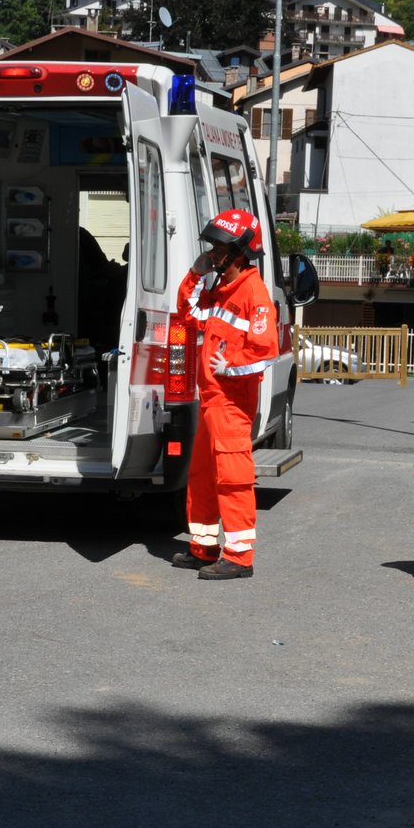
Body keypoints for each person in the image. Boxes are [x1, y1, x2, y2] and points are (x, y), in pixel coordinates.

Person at [169, 208, 279, 581]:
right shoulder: (220, 289)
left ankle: (239, 557)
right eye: (213, 246)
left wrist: (226, 366)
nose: (213, 253)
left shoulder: (254, 292)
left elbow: (265, 350)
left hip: (232, 403)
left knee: (232, 477)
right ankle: (204, 547)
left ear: (239, 252)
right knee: (202, 475)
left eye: (218, 248)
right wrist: (195, 274)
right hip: (213, 401)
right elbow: (188, 315)